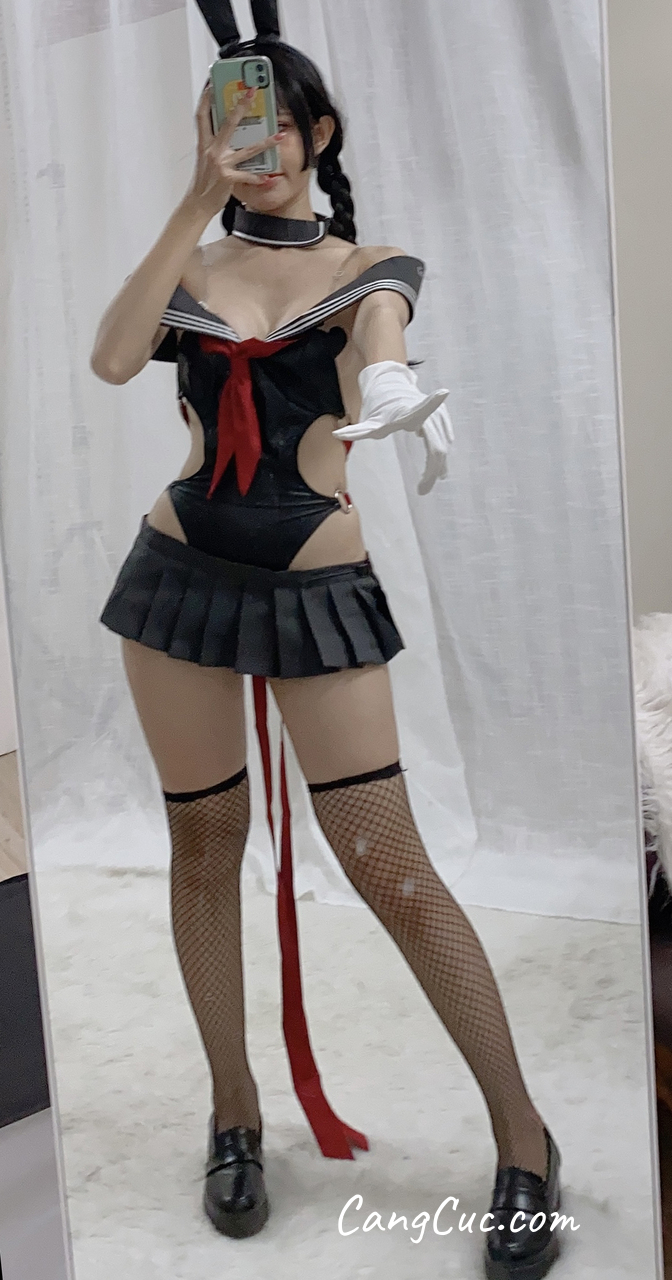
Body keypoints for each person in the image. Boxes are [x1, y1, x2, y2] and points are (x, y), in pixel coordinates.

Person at [91, 4, 561, 1276]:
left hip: (315, 588)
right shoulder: (192, 268)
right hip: (177, 580)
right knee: (203, 847)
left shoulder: (373, 265)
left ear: (319, 132)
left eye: (272, 126)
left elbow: (385, 331)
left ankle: (525, 1134)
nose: (254, 146)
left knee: (392, 868)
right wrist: (192, 200)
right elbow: (114, 358)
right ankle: (233, 1110)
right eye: (229, 127)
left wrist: (394, 385)